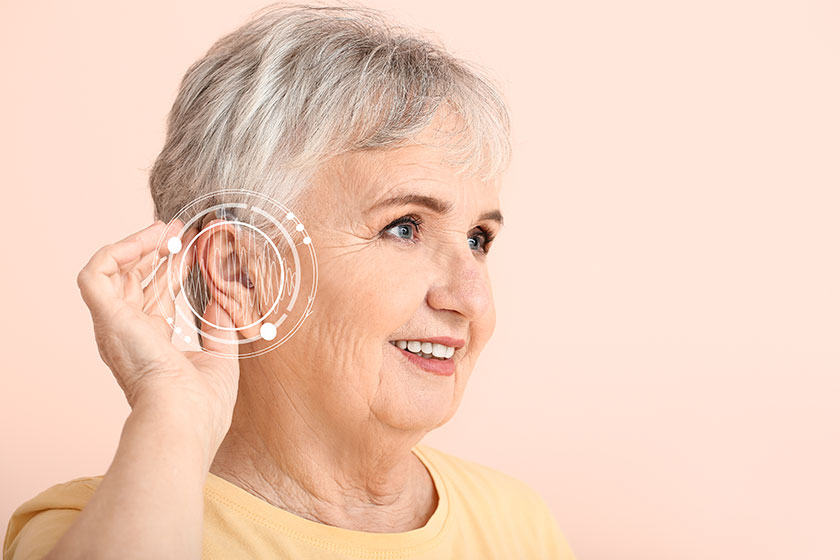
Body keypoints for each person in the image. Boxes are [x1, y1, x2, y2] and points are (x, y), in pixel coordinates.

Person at [3, 4, 576, 559]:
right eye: (403, 228)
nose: (472, 297)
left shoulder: (516, 524)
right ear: (240, 271)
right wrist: (173, 412)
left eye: (478, 238)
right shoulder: (84, 530)